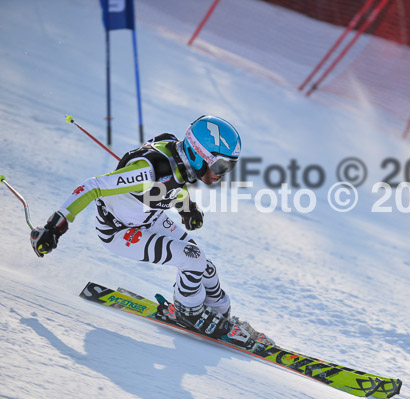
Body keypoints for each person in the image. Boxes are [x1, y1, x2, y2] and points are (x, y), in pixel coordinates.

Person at [30, 115, 271, 346]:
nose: (221, 174)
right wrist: (54, 227)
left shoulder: (181, 158)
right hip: (119, 231)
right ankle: (190, 312)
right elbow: (92, 187)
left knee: (205, 267)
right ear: (198, 155)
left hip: (148, 218)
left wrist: (187, 209)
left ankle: (221, 316)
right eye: (220, 165)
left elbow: (172, 184)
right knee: (192, 258)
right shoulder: (147, 171)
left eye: (229, 167)